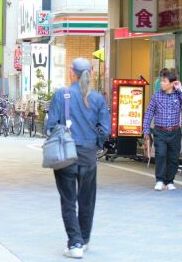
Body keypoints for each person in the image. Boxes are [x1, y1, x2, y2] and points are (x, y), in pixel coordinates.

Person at [45, 58, 110, 259]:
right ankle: (85, 239)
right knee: (87, 199)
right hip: (88, 154)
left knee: (68, 200)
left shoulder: (61, 94)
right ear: (90, 72)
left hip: (66, 153)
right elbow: (105, 130)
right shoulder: (98, 99)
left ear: (72, 73)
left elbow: (50, 126)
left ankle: (75, 243)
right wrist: (94, 144)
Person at [142, 68, 182, 191]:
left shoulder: (180, 93)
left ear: (171, 83)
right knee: (161, 155)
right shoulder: (157, 95)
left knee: (173, 158)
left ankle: (169, 181)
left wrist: (180, 88)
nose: (161, 83)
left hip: (175, 131)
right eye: (161, 81)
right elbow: (149, 112)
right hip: (160, 131)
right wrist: (146, 130)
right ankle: (159, 180)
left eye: (164, 81)